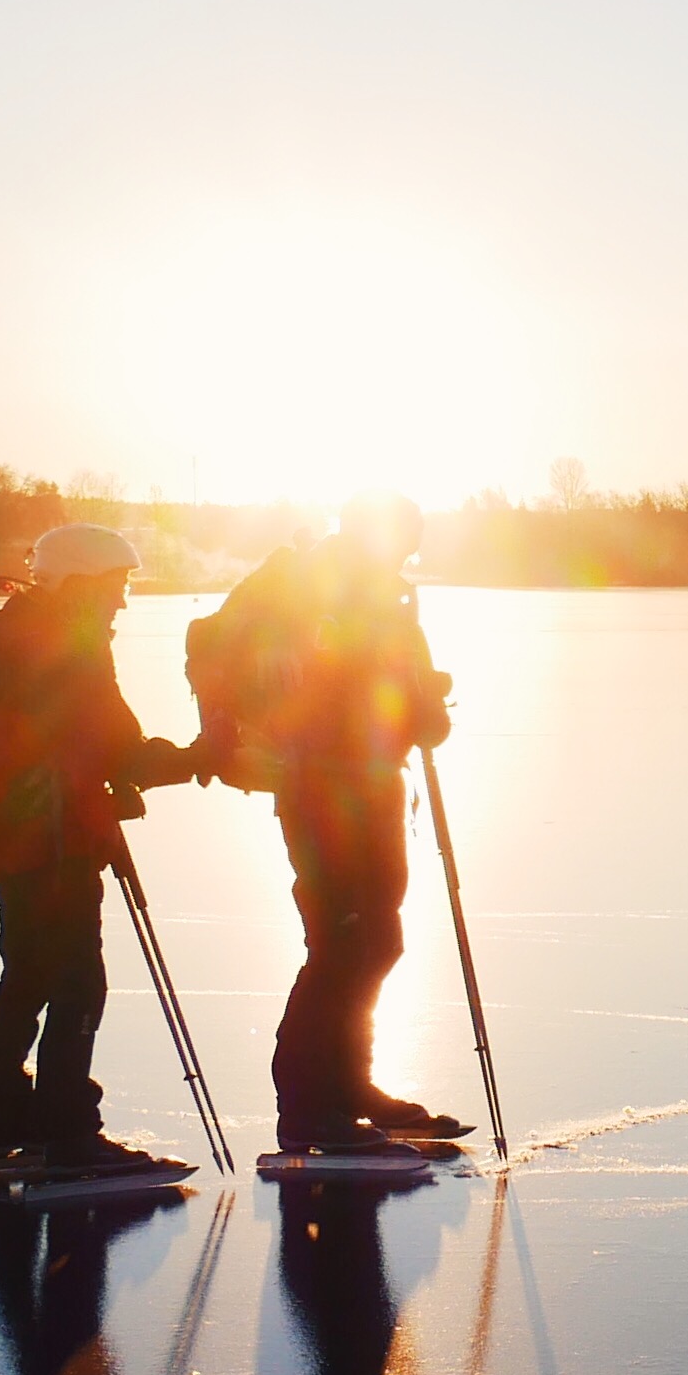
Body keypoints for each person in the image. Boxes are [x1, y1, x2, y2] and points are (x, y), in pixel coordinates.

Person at [190, 492, 460, 1159]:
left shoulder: (391, 598)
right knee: (342, 942)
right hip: (319, 791)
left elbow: (409, 697)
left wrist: (426, 711)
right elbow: (334, 694)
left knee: (378, 940)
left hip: (373, 787)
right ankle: (308, 1108)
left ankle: (348, 1088)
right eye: (402, 538)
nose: (407, 552)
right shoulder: (311, 596)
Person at [0, 524, 201, 1184]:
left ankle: (7, 1125)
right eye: (117, 586)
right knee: (77, 981)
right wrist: (198, 758)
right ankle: (69, 1135)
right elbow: (116, 742)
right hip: (57, 836)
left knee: (25, 977)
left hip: (12, 836)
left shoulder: (5, 635)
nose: (122, 602)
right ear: (81, 582)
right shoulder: (69, 643)